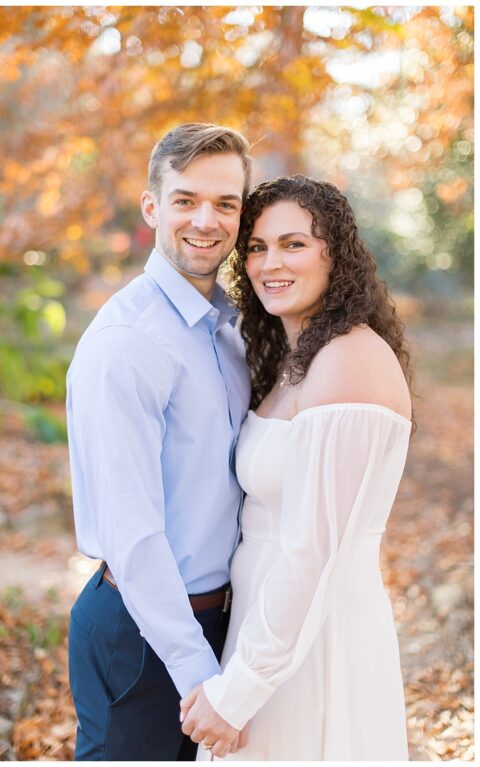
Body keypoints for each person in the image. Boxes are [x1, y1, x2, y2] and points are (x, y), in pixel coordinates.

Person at [181, 175, 412, 760]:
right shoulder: (297, 361)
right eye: (256, 247)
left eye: (293, 244)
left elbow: (311, 554)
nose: (269, 263)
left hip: (314, 640)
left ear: (335, 253)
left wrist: (239, 692)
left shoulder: (349, 362)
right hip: (268, 628)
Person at [66, 124, 253, 760]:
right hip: (142, 636)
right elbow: (133, 532)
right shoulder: (128, 340)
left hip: (221, 621)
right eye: (185, 200)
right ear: (152, 208)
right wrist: (197, 670)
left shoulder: (230, 330)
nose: (207, 219)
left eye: (226, 203)